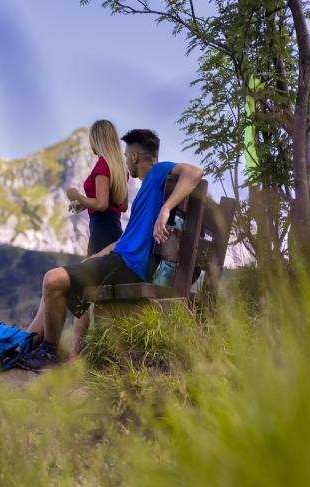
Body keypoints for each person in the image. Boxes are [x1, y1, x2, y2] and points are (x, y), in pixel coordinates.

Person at [19, 129, 204, 370]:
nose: (126, 161)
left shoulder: (159, 172)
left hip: (128, 266)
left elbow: (195, 172)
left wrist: (166, 209)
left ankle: (48, 355)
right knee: (66, 275)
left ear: (136, 157)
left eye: (127, 156)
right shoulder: (151, 187)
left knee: (52, 280)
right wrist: (98, 256)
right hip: (123, 260)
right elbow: (128, 238)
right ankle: (41, 349)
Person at [65, 120, 129, 358]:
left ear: (98, 139)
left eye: (92, 138)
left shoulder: (102, 164)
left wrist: (77, 195)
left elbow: (101, 204)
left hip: (101, 232)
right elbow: (119, 205)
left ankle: (76, 353)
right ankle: (82, 351)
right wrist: (83, 205)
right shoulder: (119, 167)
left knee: (83, 287)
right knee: (91, 288)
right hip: (112, 228)